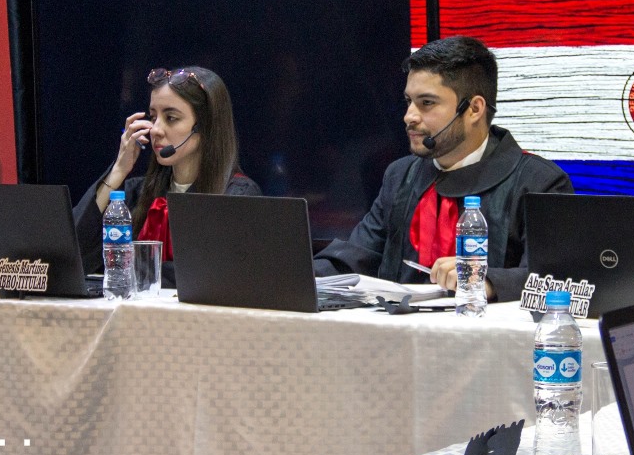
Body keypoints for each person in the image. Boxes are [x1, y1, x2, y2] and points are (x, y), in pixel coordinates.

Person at [313, 36, 574, 302]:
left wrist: (488, 281)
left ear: (474, 109)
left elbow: (556, 279)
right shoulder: (400, 175)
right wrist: (299, 275)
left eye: (427, 103)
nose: (409, 116)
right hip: (398, 336)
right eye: (409, 101)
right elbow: (356, 257)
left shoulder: (541, 183)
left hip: (490, 339)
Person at [74, 66, 261, 287]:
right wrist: (118, 170)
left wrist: (132, 267)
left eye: (171, 118)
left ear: (205, 126)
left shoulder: (237, 195)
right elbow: (74, 255)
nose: (155, 129)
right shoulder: (136, 193)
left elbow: (216, 276)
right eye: (153, 117)